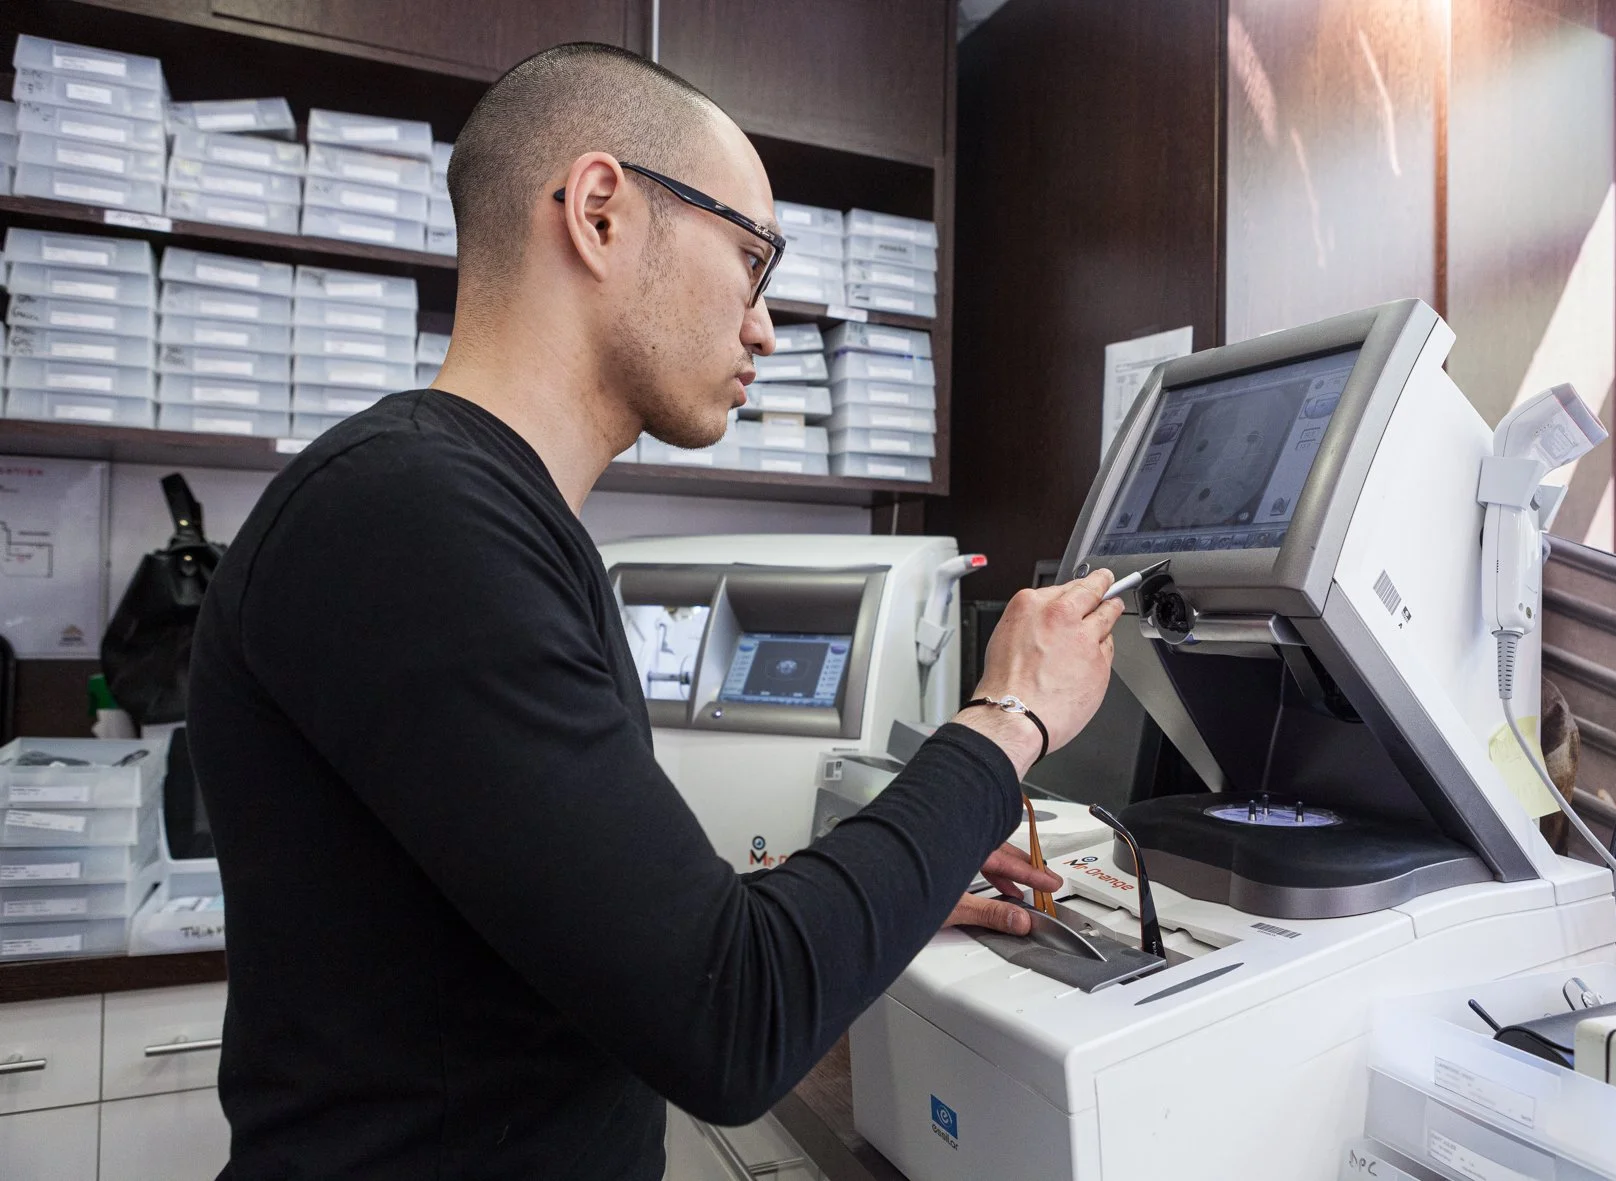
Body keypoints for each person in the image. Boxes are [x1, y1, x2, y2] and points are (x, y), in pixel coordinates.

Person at [187, 42, 1122, 1181]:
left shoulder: (478, 518)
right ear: (599, 212)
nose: (765, 327)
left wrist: (884, 892)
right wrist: (1007, 714)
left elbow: (607, 933)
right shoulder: (405, 516)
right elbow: (729, 1017)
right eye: (750, 257)